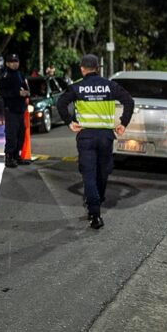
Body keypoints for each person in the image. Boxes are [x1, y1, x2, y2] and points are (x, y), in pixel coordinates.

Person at [56, 54, 134, 229]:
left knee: (89, 174)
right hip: (106, 136)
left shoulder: (77, 86)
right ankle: (97, 199)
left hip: (86, 136)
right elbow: (129, 101)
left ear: (82, 68)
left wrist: (69, 122)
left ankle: (94, 213)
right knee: (103, 171)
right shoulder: (110, 85)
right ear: (97, 68)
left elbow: (61, 104)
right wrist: (123, 123)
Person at [0, 54, 30, 168]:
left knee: (20, 134)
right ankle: (9, 158)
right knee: (11, 134)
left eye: (16, 61)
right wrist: (17, 93)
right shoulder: (5, 76)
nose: (14, 63)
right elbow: (3, 93)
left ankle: (16, 156)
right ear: (7, 63)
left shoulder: (20, 74)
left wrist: (26, 92)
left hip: (20, 109)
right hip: (11, 109)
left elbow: (25, 87)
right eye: (12, 61)